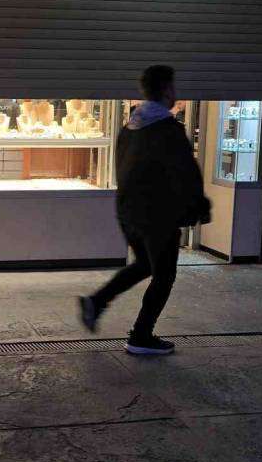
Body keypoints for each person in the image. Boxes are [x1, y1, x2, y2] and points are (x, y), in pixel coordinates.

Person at [79, 65, 211, 355]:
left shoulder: (129, 128)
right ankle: (141, 336)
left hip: (128, 211)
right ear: (167, 90)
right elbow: (186, 172)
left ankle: (96, 301)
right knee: (164, 275)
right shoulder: (168, 129)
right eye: (173, 87)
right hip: (157, 215)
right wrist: (198, 206)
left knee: (145, 264)